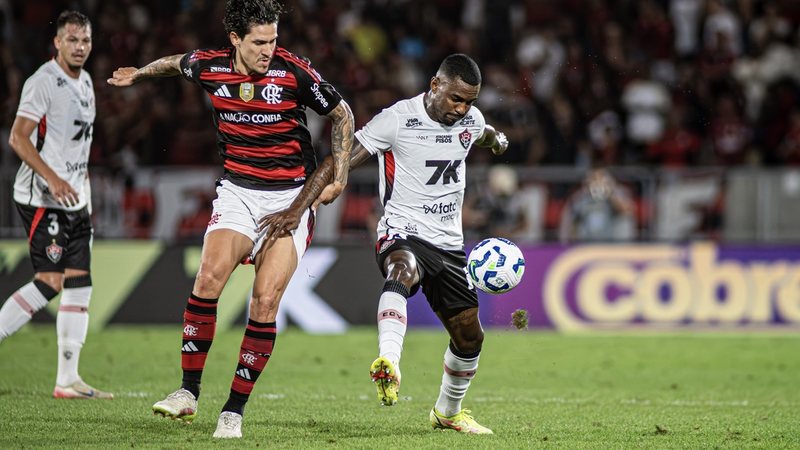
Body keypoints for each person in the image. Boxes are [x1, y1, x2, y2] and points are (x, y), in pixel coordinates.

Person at [107, 0, 353, 439]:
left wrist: (339, 178)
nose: (269, 50)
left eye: (274, 40)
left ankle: (233, 411)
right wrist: (140, 73)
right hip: (239, 191)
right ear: (235, 40)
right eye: (260, 42)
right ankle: (187, 392)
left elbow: (342, 113)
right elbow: (174, 64)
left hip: (291, 195)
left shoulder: (293, 72)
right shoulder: (210, 65)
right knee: (207, 278)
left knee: (263, 302)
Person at [260, 54, 508, 434]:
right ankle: (388, 362)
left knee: (469, 336)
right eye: (456, 99)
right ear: (435, 85)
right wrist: (299, 206)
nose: (462, 109)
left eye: (469, 101)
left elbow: (484, 131)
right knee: (401, 269)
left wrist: (498, 140)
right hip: (401, 229)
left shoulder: (469, 121)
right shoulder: (397, 119)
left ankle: (447, 412)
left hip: (448, 243)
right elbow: (340, 158)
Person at [0, 11, 112, 400]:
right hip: (41, 198)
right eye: (72, 40)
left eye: (85, 41)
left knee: (79, 283)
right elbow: (18, 138)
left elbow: (78, 146)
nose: (80, 47)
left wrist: (83, 193)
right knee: (50, 282)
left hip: (75, 200)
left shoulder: (86, 83)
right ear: (58, 43)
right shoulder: (43, 82)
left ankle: (68, 379)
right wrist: (53, 177)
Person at [558, 167, 636, 242]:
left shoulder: (618, 191)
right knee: (571, 217)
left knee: (625, 218)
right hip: (587, 239)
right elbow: (572, 213)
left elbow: (626, 209)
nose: (598, 183)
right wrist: (586, 193)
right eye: (594, 179)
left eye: (601, 179)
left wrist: (610, 194)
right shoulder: (581, 195)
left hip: (612, 237)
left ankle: (623, 248)